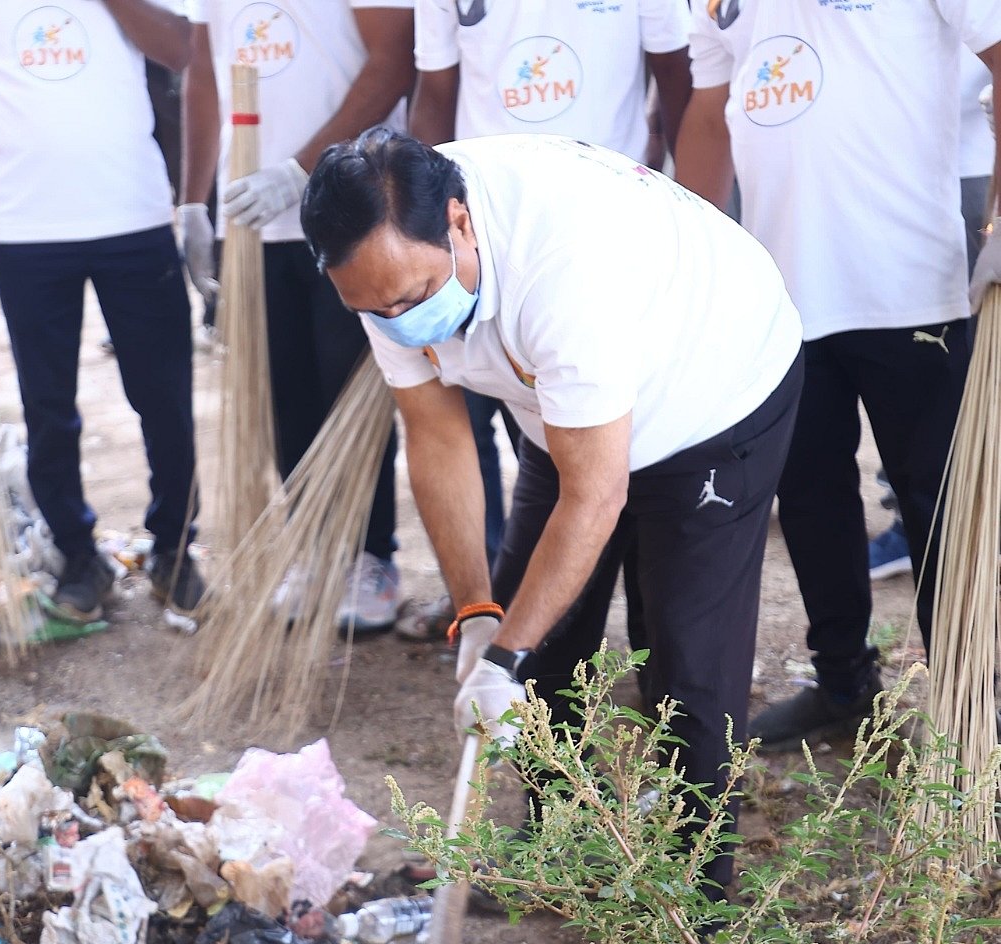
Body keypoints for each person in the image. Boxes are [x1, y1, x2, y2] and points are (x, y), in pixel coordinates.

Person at [301, 129, 803, 899]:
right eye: (373, 307)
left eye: (412, 297)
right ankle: (556, 849)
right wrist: (480, 616)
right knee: (538, 643)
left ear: (460, 222)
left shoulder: (564, 265)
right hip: (564, 408)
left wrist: (505, 655)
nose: (396, 318)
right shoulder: (380, 262)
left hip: (712, 390)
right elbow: (437, 437)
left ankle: (691, 904)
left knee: (686, 656)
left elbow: (595, 494)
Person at [676, 2, 1001, 751]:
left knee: (937, 501)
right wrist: (694, 254)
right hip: (782, 294)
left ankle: (970, 701)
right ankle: (844, 683)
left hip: (910, 286)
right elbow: (708, 112)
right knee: (809, 497)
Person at [399, 0, 693, 643]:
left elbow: (675, 79)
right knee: (539, 449)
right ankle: (504, 613)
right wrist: (416, 228)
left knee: (616, 451)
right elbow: (436, 91)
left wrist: (693, 208)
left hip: (602, 245)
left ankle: (653, 643)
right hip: (478, 242)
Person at [0, 0, 202, 624]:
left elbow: (182, 46)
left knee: (164, 396)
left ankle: (175, 549)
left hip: (133, 212)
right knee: (47, 405)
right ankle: (78, 556)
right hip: (23, 223)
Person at [179, 0, 414, 635]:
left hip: (350, 206)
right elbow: (203, 71)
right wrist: (193, 200)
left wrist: (301, 169)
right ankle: (313, 548)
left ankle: (370, 558)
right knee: (284, 398)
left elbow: (394, 60)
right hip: (251, 215)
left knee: (351, 393)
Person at [869, 49, 996, 584]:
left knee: (962, 364)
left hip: (966, 168)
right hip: (905, 166)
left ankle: (955, 528)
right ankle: (921, 521)